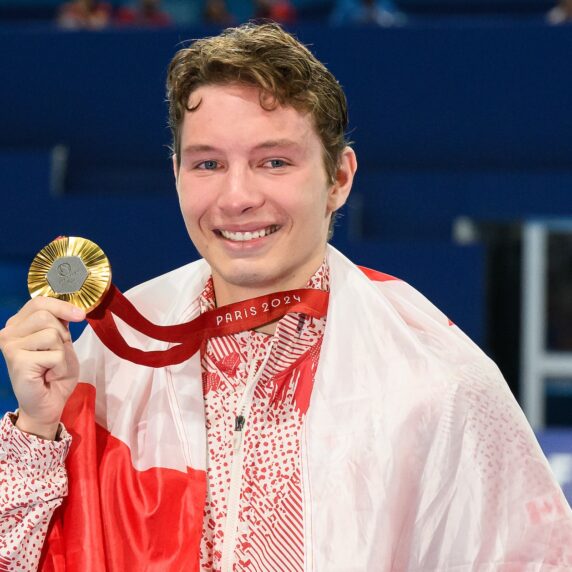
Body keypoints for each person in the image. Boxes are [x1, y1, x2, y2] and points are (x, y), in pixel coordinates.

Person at [1, 22, 572, 572]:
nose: (237, 196)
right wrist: (36, 427)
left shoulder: (438, 378)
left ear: (339, 179)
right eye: (208, 164)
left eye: (274, 161)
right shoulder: (115, 356)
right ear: (175, 174)